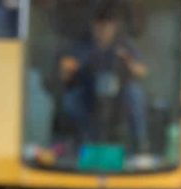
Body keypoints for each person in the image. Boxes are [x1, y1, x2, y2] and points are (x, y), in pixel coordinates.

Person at [57, 2, 151, 158]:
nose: (102, 30)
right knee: (71, 99)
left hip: (119, 98)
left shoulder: (124, 45)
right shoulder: (82, 46)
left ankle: (141, 147)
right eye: (99, 25)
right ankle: (86, 145)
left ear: (114, 27)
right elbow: (64, 74)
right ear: (93, 26)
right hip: (89, 95)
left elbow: (142, 71)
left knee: (135, 94)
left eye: (107, 25)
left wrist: (128, 61)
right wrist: (67, 68)